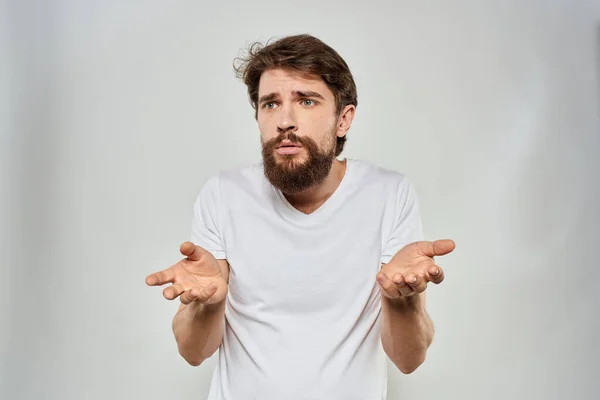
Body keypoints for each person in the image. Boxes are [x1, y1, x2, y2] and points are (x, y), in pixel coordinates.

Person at [145, 33, 455, 400]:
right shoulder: (223, 195)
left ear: (344, 119)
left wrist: (401, 299)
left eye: (306, 101)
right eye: (270, 104)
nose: (285, 121)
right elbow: (193, 352)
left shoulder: (388, 194)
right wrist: (208, 303)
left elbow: (408, 359)